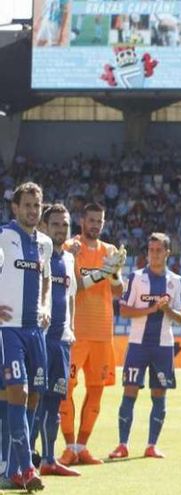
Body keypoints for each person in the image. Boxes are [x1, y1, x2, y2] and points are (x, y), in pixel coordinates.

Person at [108, 233, 181, 460]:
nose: (154, 254)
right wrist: (152, 310)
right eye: (151, 250)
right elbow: (123, 310)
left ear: (167, 253)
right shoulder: (136, 278)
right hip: (137, 344)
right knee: (129, 391)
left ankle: (151, 445)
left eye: (158, 250)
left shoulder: (176, 281)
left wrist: (166, 310)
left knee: (159, 394)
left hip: (163, 345)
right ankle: (122, 444)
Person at [59, 203, 126, 466]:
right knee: (66, 390)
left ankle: (82, 447)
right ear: (82, 221)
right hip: (75, 332)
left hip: (102, 333)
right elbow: (76, 286)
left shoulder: (109, 250)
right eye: (91, 220)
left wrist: (115, 273)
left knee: (96, 390)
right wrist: (103, 272)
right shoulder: (70, 248)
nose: (95, 224)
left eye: (100, 220)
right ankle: (67, 447)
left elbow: (119, 291)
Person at [0, 182, 53, 491]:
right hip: (10, 331)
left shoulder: (44, 244)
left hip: (36, 331)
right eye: (27, 205)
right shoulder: (4, 237)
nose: (33, 211)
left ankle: (17, 466)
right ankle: (25, 467)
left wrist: (45, 306)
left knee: (35, 396)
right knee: (18, 392)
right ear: (15, 208)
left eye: (37, 206)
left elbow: (46, 281)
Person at [33, 204, 80, 477]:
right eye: (56, 225)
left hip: (61, 341)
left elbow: (71, 296)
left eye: (65, 225)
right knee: (33, 402)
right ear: (44, 227)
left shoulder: (70, 260)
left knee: (54, 403)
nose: (61, 229)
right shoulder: (38, 257)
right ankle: (29, 459)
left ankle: (50, 458)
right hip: (39, 339)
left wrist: (71, 328)